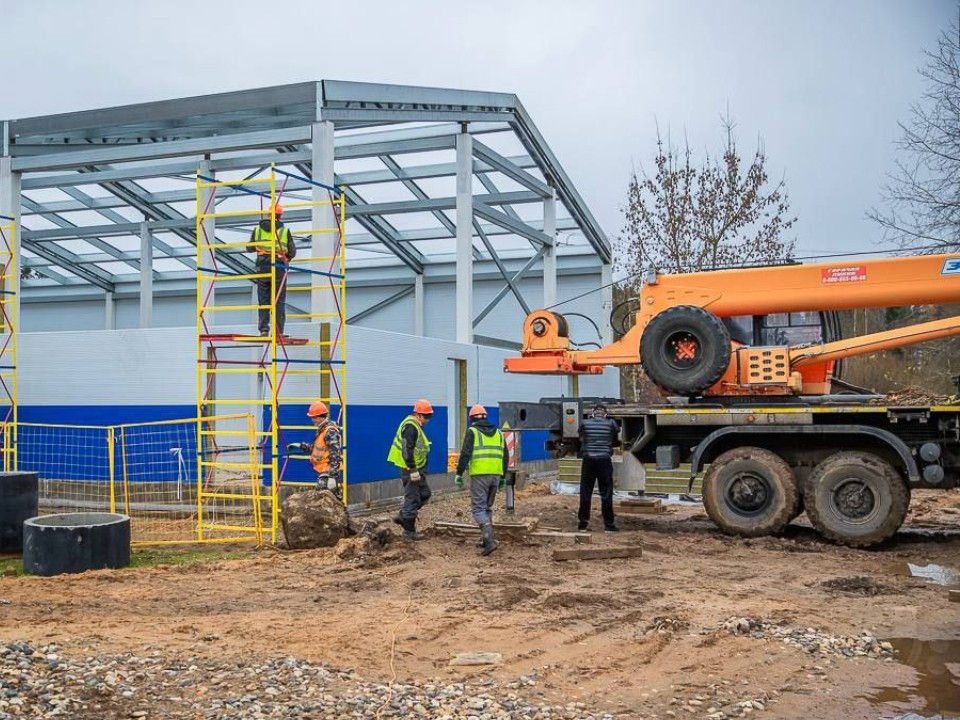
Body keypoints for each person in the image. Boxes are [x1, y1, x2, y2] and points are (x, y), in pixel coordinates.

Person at [454, 404, 508, 556]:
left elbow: (465, 453)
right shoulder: (498, 433)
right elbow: (506, 456)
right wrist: (503, 477)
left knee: (478, 509)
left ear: (471, 419)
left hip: (480, 475)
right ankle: (486, 539)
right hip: (495, 475)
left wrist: (459, 473)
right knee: (487, 508)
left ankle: (489, 541)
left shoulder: (472, 431)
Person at [247, 204, 296, 337]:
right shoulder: (284, 231)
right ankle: (278, 332)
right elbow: (292, 252)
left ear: (268, 215)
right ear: (280, 216)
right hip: (278, 265)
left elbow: (249, 248)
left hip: (262, 265)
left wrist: (261, 247)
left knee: (263, 299)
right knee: (278, 299)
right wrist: (287, 258)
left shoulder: (257, 230)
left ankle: (264, 330)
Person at [387, 399, 434, 540]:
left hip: (418, 468)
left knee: (424, 494)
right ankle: (409, 531)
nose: (427, 420)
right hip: (410, 469)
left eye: (429, 417)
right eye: (426, 417)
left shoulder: (416, 426)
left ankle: (404, 515)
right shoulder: (410, 427)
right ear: (418, 415)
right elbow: (406, 450)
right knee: (412, 498)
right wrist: (413, 470)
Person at [577, 403, 621, 532]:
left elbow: (581, 436)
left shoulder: (584, 423)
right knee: (606, 493)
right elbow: (616, 435)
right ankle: (609, 525)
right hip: (604, 460)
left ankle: (583, 524)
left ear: (593, 413)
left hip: (588, 460)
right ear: (605, 414)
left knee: (586, 492)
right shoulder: (611, 423)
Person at [288, 401, 343, 501]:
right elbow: (317, 449)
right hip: (325, 473)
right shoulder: (323, 430)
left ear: (320, 417)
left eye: (314, 417)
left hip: (328, 473)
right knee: (329, 502)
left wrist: (332, 477)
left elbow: (335, 455)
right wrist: (300, 445)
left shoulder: (330, 432)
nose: (312, 420)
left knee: (321, 502)